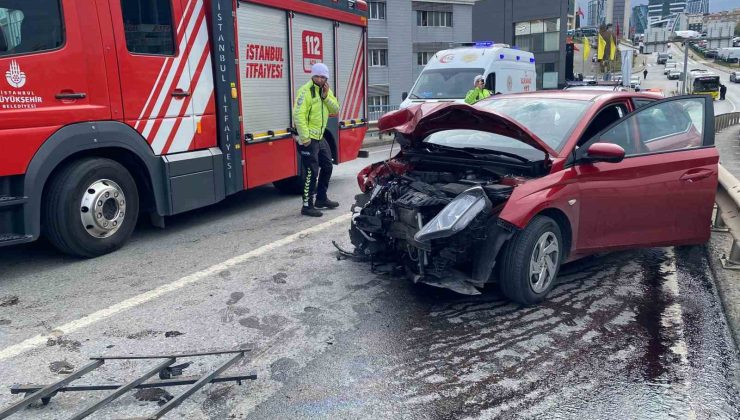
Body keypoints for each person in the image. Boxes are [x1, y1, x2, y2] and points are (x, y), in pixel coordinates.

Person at [293, 63, 340, 217]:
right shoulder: (305, 91)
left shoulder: (326, 90)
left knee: (327, 166)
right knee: (312, 172)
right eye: (317, 76)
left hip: (320, 137)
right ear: (312, 76)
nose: (320, 79)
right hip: (308, 139)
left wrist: (326, 97)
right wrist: (305, 138)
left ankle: (321, 199)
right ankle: (307, 206)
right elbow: (298, 115)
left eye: (323, 76)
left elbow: (335, 109)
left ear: (326, 77)